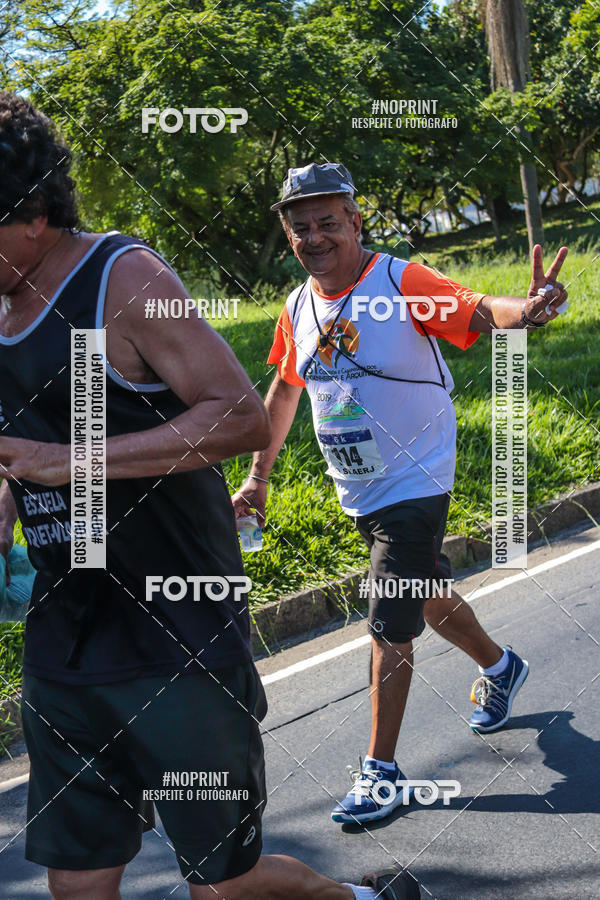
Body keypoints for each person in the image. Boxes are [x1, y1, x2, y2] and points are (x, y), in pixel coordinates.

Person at [0, 94, 418, 900]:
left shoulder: (120, 277)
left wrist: (69, 460)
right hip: (65, 639)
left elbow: (238, 415)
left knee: (223, 882)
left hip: (176, 630)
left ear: (31, 212)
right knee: (78, 883)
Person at [232, 161, 569, 825]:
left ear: (355, 220)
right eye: (300, 227)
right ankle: (501, 668)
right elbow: (284, 390)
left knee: (390, 619)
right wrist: (257, 477)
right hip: (359, 488)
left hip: (418, 479)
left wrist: (525, 312)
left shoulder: (398, 279)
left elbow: (478, 309)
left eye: (328, 222)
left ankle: (380, 773)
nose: (315, 236)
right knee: (426, 593)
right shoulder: (298, 306)